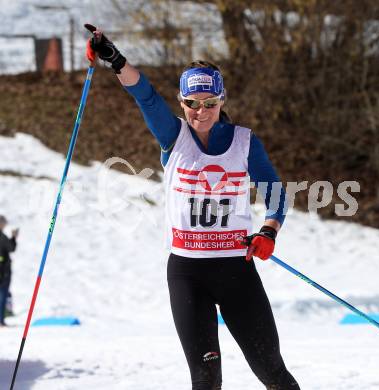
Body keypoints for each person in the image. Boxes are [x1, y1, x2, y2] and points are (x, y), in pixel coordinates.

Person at [85, 24, 300, 390]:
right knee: (205, 379)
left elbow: (276, 193)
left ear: (222, 100)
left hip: (236, 270)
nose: (201, 112)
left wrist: (268, 231)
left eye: (210, 104)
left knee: (272, 371)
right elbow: (146, 96)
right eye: (192, 104)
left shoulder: (244, 142)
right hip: (188, 275)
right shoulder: (173, 136)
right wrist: (113, 57)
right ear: (182, 103)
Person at [0, 215, 18, 327]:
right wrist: (14, 237)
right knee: (2, 296)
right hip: (3, 272)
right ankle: (0, 320)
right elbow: (11, 248)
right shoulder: (2, 237)